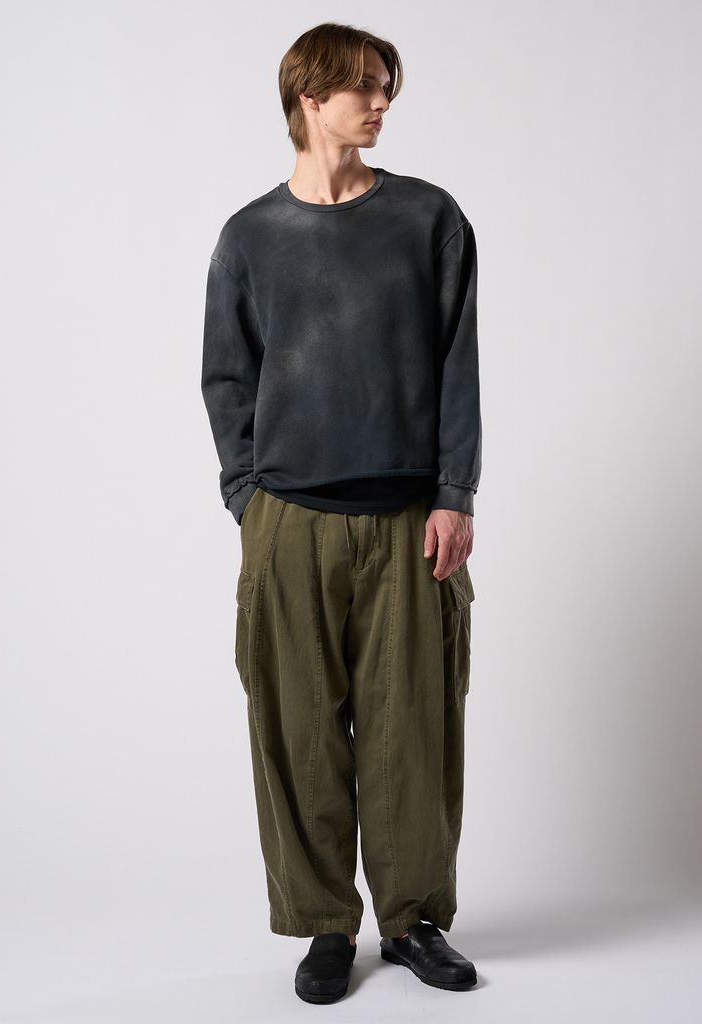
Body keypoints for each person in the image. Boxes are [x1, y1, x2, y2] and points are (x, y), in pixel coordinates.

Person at [201, 21, 482, 1004]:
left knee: (415, 729)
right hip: (289, 523)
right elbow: (227, 379)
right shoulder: (250, 237)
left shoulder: (428, 219)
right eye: (362, 85)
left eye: (383, 84)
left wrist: (454, 492)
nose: (380, 101)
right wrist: (250, 502)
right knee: (297, 732)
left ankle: (412, 921)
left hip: (409, 521)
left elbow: (458, 363)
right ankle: (325, 924)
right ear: (309, 98)